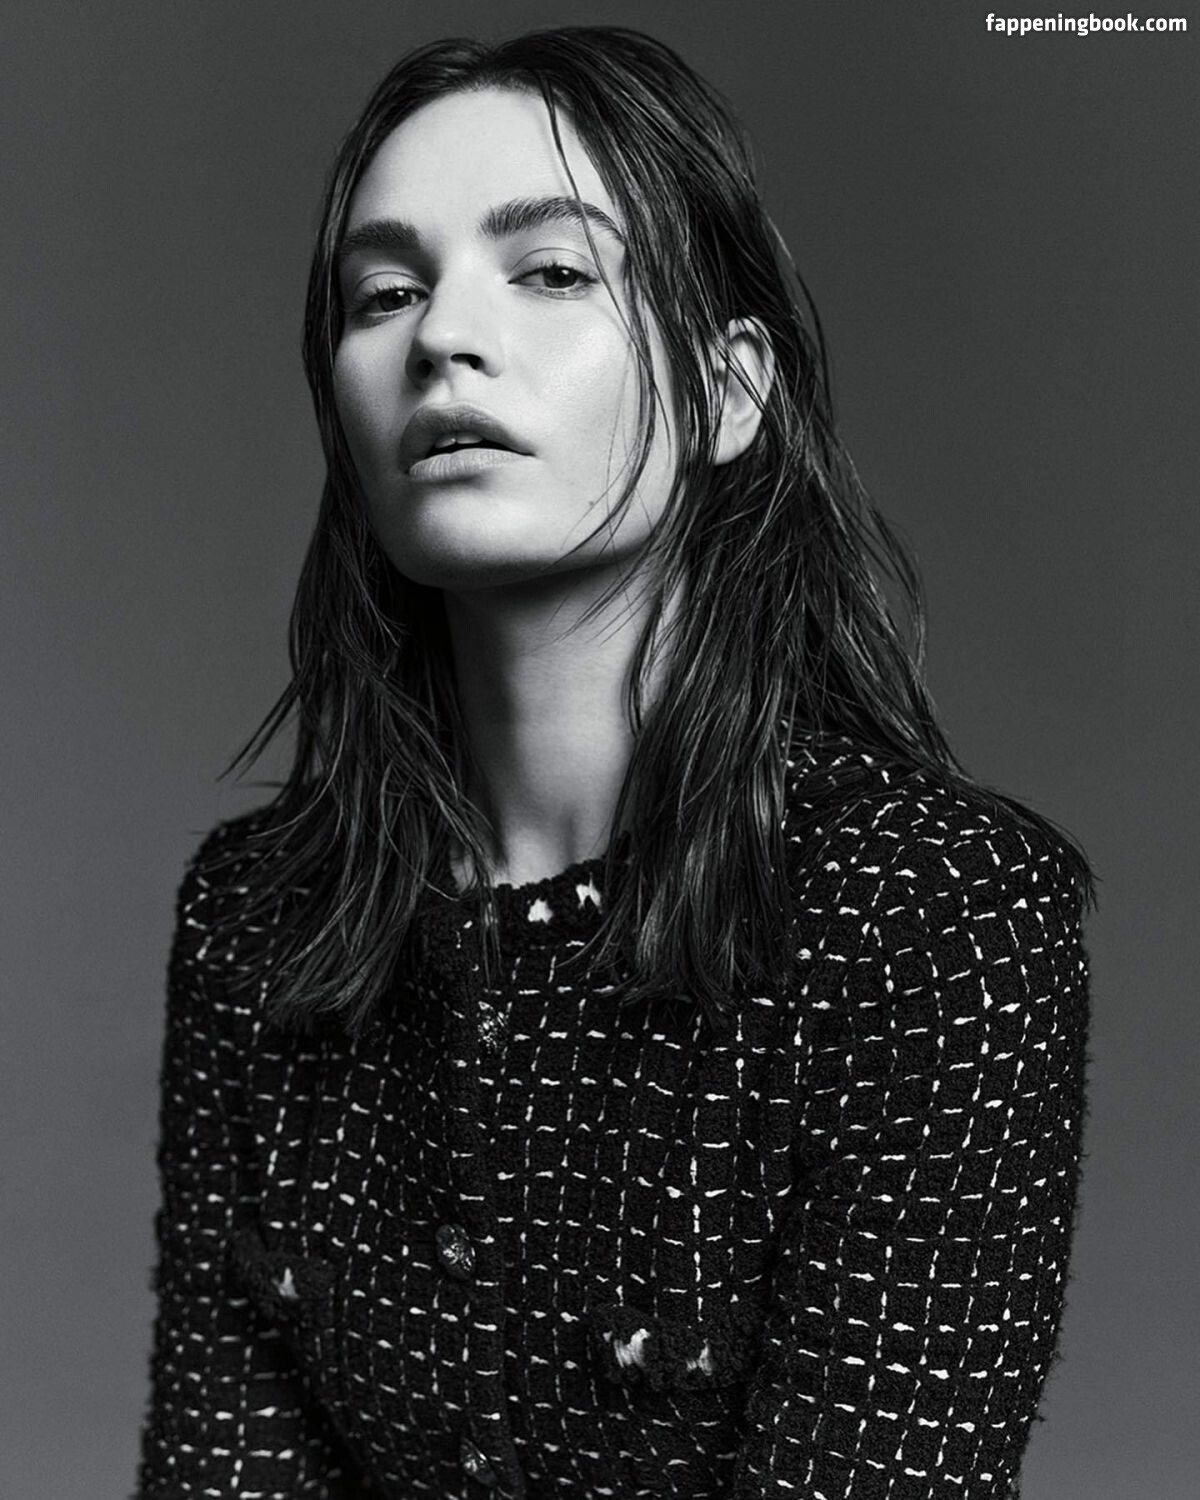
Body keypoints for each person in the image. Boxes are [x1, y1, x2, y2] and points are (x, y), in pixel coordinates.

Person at [133, 25, 1095, 1500]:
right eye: (384, 293)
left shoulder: (936, 916)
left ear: (728, 390)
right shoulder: (255, 922)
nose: (443, 337)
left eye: (553, 271)